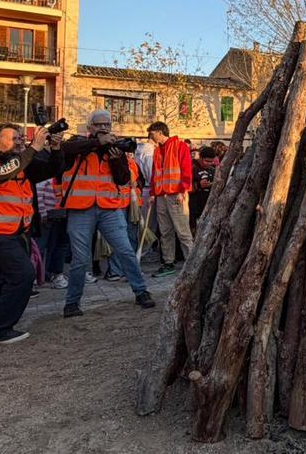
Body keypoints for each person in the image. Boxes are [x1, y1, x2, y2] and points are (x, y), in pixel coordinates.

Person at [0, 123, 61, 345]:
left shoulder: (20, 163)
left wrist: (55, 149)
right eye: (14, 138)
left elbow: (52, 170)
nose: (20, 141)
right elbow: (3, 173)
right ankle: (0, 331)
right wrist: (34, 148)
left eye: (21, 138)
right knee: (23, 276)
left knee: (8, 277)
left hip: (16, 232)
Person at [60, 111, 155, 317]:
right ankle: (72, 303)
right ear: (90, 127)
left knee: (126, 251)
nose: (103, 128)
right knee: (80, 258)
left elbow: (122, 179)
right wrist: (97, 143)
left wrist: (116, 159)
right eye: (98, 124)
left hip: (109, 208)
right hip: (80, 208)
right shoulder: (77, 144)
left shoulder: (114, 148)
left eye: (107, 125)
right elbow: (65, 149)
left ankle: (141, 291)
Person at [146, 121, 193, 277]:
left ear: (160, 132)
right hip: (162, 195)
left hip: (176, 194)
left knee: (183, 231)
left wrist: (182, 190)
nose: (151, 137)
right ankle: (168, 262)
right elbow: (155, 174)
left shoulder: (180, 146)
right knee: (165, 231)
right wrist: (153, 193)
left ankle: (192, 263)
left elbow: (186, 170)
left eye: (152, 133)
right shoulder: (157, 151)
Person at [190, 146, 218, 233]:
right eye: (207, 161)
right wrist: (198, 185)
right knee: (192, 230)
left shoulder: (213, 170)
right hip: (192, 206)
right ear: (200, 158)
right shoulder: (192, 167)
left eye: (211, 161)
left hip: (206, 205)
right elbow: (185, 186)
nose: (209, 164)